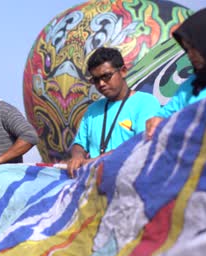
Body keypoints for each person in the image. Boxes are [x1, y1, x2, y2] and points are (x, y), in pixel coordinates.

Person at [67, 47, 160, 177]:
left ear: (123, 71)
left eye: (106, 76)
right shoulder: (93, 110)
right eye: (95, 80)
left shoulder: (146, 103)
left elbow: (142, 145)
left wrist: (96, 161)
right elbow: (79, 144)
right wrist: (77, 157)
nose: (101, 84)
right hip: (94, 186)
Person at [146, 8, 206, 140]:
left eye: (194, 47)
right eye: (186, 49)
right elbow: (166, 114)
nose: (189, 55)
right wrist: (156, 121)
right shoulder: (191, 84)